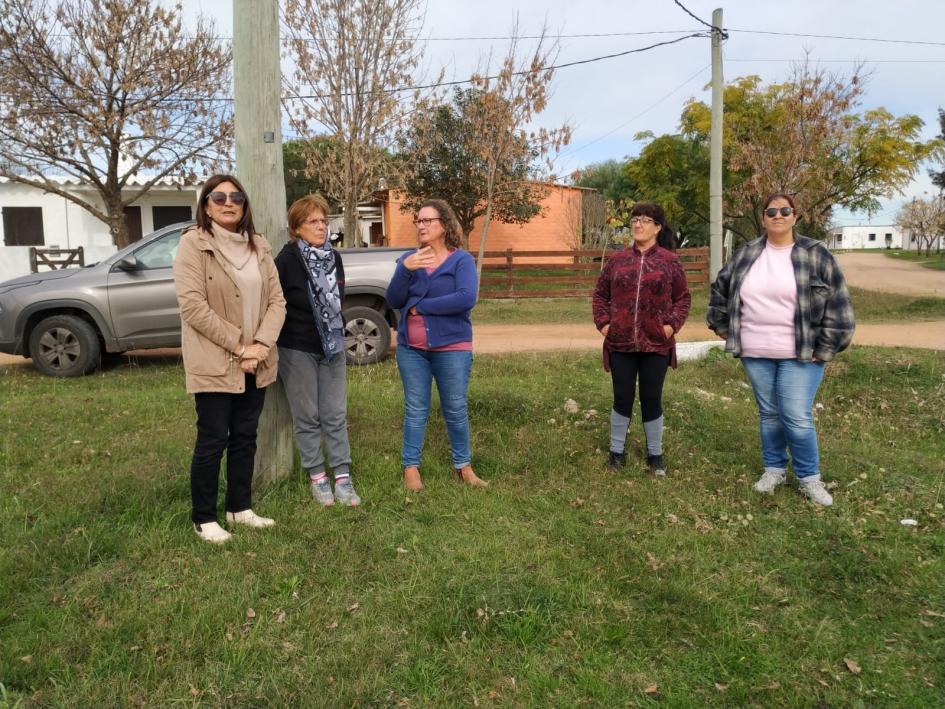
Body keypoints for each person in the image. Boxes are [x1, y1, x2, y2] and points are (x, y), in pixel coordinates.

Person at [706, 192, 855, 506]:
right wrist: (723, 327)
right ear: (763, 217)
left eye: (785, 210)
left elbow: (839, 304)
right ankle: (774, 469)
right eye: (771, 211)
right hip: (755, 350)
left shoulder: (816, 254)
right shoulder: (746, 254)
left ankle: (809, 478)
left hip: (802, 352)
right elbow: (720, 289)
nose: (778, 215)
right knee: (770, 415)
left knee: (796, 416)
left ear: (795, 216)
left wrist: (826, 347)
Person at [174, 174, 286, 543]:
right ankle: (203, 517)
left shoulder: (259, 246)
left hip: (257, 360)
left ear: (244, 204)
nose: (228, 202)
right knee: (212, 440)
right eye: (218, 196)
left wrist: (261, 347)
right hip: (217, 360)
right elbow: (193, 306)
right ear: (206, 204)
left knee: (244, 437)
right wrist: (240, 347)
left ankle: (240, 509)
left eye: (236, 196)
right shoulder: (193, 244)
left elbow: (277, 302)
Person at [386, 198, 486, 491]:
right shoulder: (410, 260)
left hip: (452, 347)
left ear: (444, 225)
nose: (421, 226)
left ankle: (463, 467)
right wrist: (405, 269)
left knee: (455, 408)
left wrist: (420, 307)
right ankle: (411, 468)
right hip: (412, 349)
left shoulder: (461, 260)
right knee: (416, 408)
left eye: (428, 220)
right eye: (418, 220)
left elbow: (466, 298)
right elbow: (394, 300)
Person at [592, 203, 691, 476]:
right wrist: (605, 325)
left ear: (658, 227)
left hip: (656, 344)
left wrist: (670, 326)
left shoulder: (670, 262)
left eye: (646, 220)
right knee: (622, 397)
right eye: (635, 219)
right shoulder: (618, 261)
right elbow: (600, 295)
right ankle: (616, 452)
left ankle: (655, 456)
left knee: (651, 398)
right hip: (620, 342)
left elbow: (682, 298)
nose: (638, 225)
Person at [274, 194, 360, 507]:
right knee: (307, 415)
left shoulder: (333, 258)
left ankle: (342, 476)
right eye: (314, 221)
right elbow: (276, 304)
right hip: (297, 347)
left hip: (333, 346)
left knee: (335, 413)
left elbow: (339, 298)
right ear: (297, 228)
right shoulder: (285, 261)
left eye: (324, 220)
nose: (322, 226)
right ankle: (318, 478)